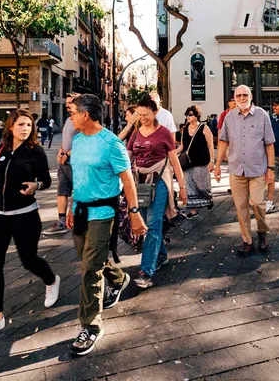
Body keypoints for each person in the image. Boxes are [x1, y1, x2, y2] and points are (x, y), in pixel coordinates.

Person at [67, 94, 147, 357]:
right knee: (89, 259)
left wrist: (135, 213)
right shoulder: (77, 140)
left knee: (90, 268)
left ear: (86, 115)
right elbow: (78, 177)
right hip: (80, 211)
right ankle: (120, 278)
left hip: (103, 212)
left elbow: (128, 180)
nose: (71, 115)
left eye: (73, 111)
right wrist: (70, 205)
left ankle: (90, 326)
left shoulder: (111, 143)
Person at [0, 109, 60, 342]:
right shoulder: (1, 149)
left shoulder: (35, 151)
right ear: (10, 126)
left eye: (28, 125)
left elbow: (47, 180)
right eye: (21, 124)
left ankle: (51, 280)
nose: (25, 129)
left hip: (25, 216)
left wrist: (35, 185)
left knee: (28, 260)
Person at [127, 96, 187, 288]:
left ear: (155, 113)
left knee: (152, 224)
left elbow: (174, 161)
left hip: (160, 181)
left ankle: (146, 271)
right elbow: (126, 157)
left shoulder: (164, 133)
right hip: (140, 182)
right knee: (145, 222)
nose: (142, 118)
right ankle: (161, 255)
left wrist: (182, 187)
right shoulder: (135, 134)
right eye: (139, 114)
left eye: (146, 114)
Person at [214, 85, 275, 256]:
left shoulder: (262, 115)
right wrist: (217, 164)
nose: (241, 98)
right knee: (241, 208)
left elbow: (269, 143)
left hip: (257, 170)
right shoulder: (229, 117)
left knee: (257, 203)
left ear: (251, 96)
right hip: (236, 170)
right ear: (234, 97)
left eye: (244, 95)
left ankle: (262, 232)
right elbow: (223, 142)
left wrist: (270, 168)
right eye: (238, 95)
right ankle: (247, 241)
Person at [44, 94, 79, 235]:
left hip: (74, 163)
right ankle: (61, 221)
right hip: (63, 163)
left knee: (77, 191)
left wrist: (68, 154)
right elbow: (66, 139)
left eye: (70, 102)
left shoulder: (80, 121)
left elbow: (84, 141)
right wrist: (60, 151)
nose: (67, 105)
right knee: (62, 190)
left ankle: (75, 219)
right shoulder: (68, 120)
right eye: (66, 103)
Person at [178, 105, 214, 218]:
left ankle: (208, 198)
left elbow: (210, 145)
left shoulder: (204, 128)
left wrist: (212, 160)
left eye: (190, 114)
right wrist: (173, 153)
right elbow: (183, 146)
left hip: (201, 161)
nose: (188, 117)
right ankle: (193, 210)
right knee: (189, 186)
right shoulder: (185, 128)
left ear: (196, 116)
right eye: (187, 115)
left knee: (202, 186)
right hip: (188, 163)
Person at [218, 97, 236, 164]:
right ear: (229, 103)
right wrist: (219, 145)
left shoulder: (240, 113)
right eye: (232, 101)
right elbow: (220, 130)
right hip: (228, 144)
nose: (235, 102)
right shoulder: (224, 114)